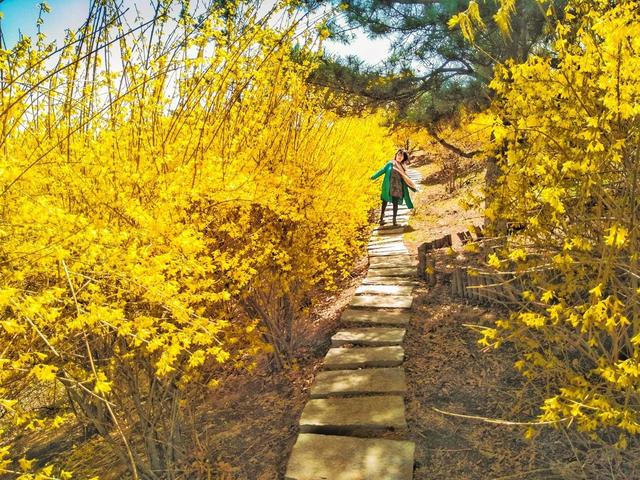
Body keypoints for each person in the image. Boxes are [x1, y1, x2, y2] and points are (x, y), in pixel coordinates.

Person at [370, 149, 418, 226]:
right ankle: (381, 219)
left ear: (403, 158)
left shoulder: (403, 167)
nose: (399, 157)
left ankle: (394, 221)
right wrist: (372, 177)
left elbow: (406, 178)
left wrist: (412, 186)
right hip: (388, 187)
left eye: (401, 155)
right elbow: (382, 171)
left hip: (397, 188)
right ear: (396, 155)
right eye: (398, 155)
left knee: (395, 204)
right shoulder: (390, 164)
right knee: (384, 202)